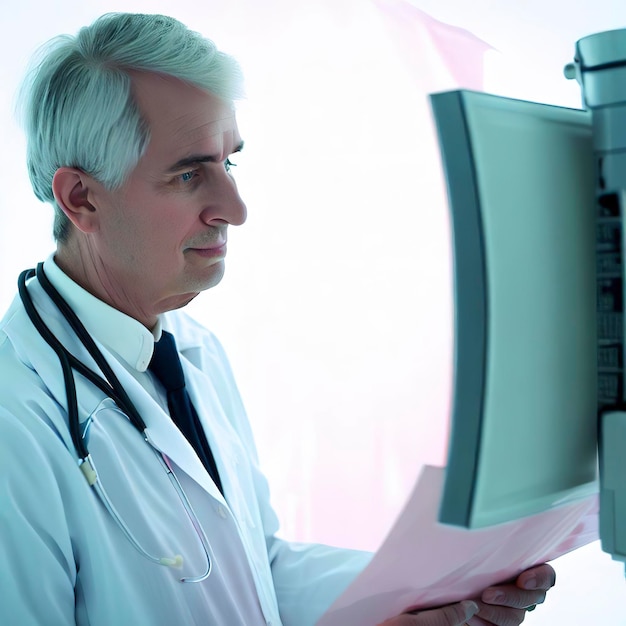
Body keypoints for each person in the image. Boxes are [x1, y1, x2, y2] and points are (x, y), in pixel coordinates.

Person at [0, 12, 555, 626]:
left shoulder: (190, 349)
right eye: (188, 174)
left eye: (228, 163)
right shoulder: (15, 423)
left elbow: (256, 570)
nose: (234, 209)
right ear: (82, 197)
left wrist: (441, 590)